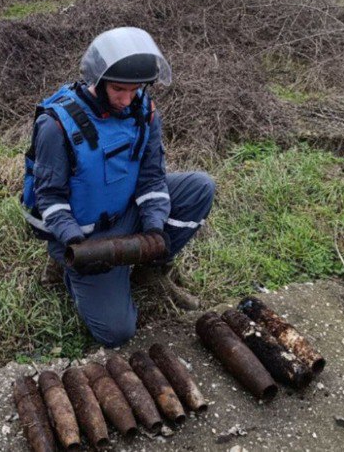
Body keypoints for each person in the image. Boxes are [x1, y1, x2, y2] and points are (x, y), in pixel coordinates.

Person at [21, 27, 215, 347]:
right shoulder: (56, 126)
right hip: (83, 237)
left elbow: (152, 178)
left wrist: (153, 230)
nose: (127, 100)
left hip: (125, 213)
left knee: (200, 187)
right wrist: (77, 246)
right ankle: (64, 268)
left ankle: (148, 269)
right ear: (98, 80)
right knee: (117, 333)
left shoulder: (143, 111)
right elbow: (49, 198)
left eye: (136, 89)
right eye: (119, 90)